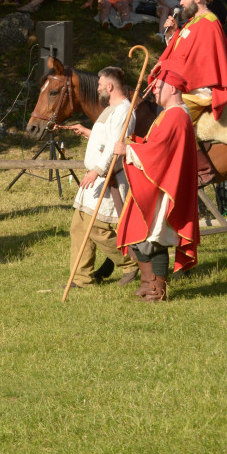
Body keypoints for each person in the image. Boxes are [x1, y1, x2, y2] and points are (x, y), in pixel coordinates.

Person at [115, 67, 200, 302]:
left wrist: (130, 150)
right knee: (140, 233)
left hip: (165, 185)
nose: (154, 92)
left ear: (172, 88)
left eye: (159, 87)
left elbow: (160, 151)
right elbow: (157, 145)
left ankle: (157, 289)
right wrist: (137, 143)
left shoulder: (176, 116)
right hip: (158, 180)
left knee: (156, 237)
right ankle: (147, 283)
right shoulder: (170, 114)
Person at [64, 67, 138, 289]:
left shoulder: (124, 111)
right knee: (79, 227)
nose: (97, 88)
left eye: (99, 84)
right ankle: (81, 278)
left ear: (110, 86)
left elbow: (115, 147)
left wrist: (97, 170)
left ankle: (130, 264)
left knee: (97, 228)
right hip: (95, 177)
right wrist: (87, 132)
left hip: (107, 177)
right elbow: (106, 140)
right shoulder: (111, 109)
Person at [153, 0, 227, 123]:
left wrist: (166, 65)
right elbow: (185, 50)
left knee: (170, 121)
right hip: (186, 82)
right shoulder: (195, 20)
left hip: (198, 90)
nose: (181, 3)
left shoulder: (208, 24)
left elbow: (199, 64)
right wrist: (174, 32)